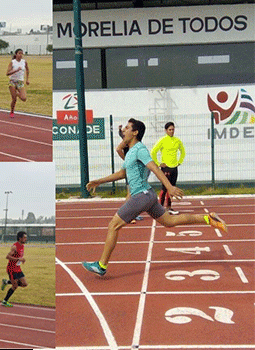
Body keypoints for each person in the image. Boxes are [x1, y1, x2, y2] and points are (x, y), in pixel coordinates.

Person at [82, 118, 227, 277]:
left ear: (135, 132)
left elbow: (155, 168)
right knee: (170, 222)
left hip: (141, 196)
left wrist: (169, 187)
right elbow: (122, 173)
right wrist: (99, 181)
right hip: (148, 196)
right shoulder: (130, 152)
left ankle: (101, 265)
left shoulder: (140, 149)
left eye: (128, 128)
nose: (125, 130)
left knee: (113, 226)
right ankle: (208, 219)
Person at [151, 122, 186, 215]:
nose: (171, 131)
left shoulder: (177, 140)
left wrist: (179, 162)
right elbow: (153, 152)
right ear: (166, 130)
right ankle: (159, 208)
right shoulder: (162, 140)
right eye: (170, 130)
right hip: (166, 168)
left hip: (174, 168)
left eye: (173, 129)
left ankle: (169, 207)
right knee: (165, 188)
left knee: (172, 189)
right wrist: (158, 163)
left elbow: (182, 151)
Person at [117, 124, 143, 223]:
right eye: (125, 130)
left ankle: (133, 213)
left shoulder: (135, 142)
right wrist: (126, 160)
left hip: (136, 168)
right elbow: (118, 149)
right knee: (130, 192)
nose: (125, 131)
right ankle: (127, 215)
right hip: (131, 169)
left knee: (135, 192)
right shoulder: (126, 141)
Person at [0, 231, 28, 307]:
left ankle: (6, 282)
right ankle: (4, 301)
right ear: (20, 238)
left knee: (24, 284)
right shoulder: (15, 246)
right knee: (15, 286)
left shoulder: (22, 246)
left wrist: (22, 259)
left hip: (18, 268)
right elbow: (7, 256)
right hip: (11, 269)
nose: (26, 239)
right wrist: (18, 259)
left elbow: (19, 256)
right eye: (24, 237)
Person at [6, 49, 29, 118]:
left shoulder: (24, 62)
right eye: (19, 53)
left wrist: (27, 79)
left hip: (20, 81)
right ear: (16, 54)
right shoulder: (12, 62)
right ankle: (12, 112)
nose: (21, 55)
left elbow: (27, 70)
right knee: (14, 99)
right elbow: (7, 73)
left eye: (22, 53)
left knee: (24, 98)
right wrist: (16, 70)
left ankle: (17, 93)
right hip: (12, 81)